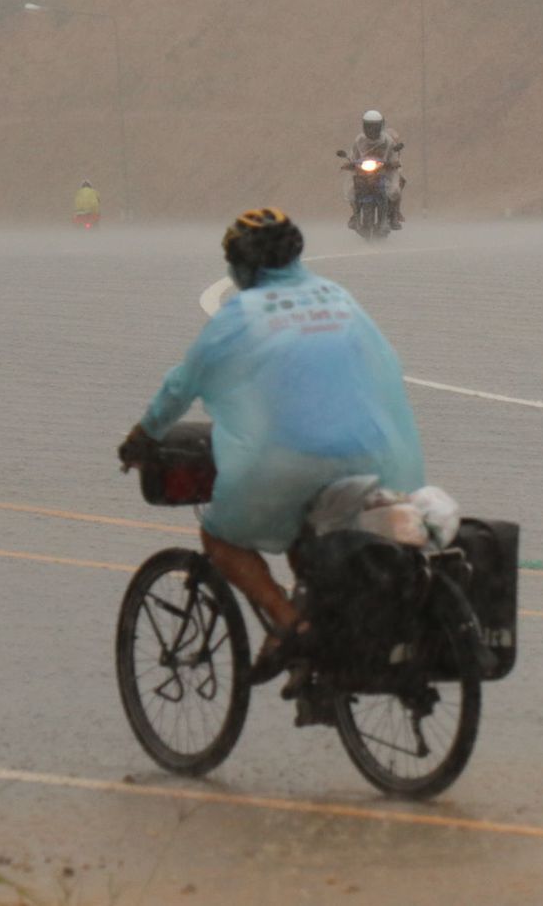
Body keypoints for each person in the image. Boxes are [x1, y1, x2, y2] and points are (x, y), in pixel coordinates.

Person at [118, 208, 426, 683]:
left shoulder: (239, 316)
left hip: (292, 460)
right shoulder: (338, 297)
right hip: (375, 455)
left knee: (220, 537)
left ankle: (289, 624)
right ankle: (327, 654)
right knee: (312, 530)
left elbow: (181, 387)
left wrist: (141, 439)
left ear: (241, 266)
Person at [348, 109, 405, 229]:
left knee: (395, 189)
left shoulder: (387, 140)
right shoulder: (359, 139)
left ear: (381, 126)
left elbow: (394, 155)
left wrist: (393, 163)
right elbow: (353, 155)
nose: (371, 130)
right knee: (351, 190)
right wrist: (350, 163)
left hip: (385, 171)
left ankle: (393, 216)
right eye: (369, 126)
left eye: (375, 127)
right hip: (364, 172)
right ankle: (355, 215)